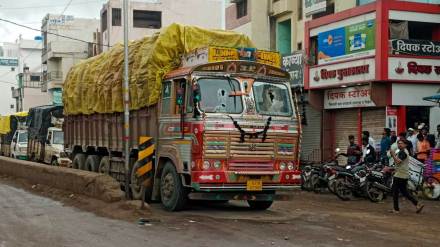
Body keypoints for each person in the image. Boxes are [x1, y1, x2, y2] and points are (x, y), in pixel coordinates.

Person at [389, 140, 424, 214]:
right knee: (404, 192)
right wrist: (394, 169)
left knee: (395, 192)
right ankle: (417, 204)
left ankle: (396, 209)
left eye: (401, 144)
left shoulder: (403, 152)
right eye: (398, 143)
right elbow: (399, 164)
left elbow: (398, 161)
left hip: (400, 175)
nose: (399, 145)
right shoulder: (402, 152)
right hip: (402, 174)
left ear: (405, 145)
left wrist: (392, 154)